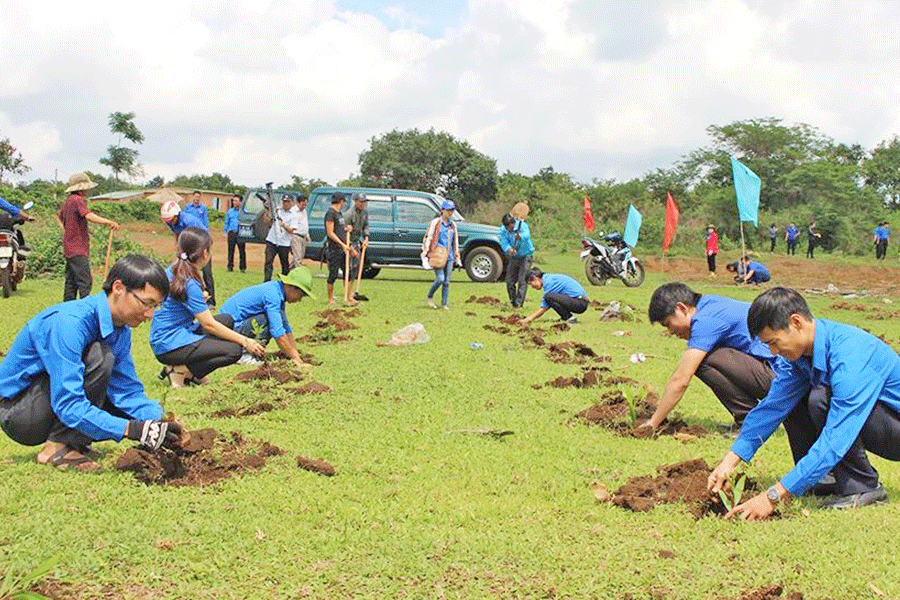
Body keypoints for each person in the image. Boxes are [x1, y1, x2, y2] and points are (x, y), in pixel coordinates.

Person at [708, 287, 900, 519]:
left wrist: (773, 496)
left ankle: (863, 488)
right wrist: (730, 461)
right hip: (882, 425)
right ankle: (822, 479)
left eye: (774, 342)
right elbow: (772, 408)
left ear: (796, 322)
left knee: (822, 398)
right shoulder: (800, 357)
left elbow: (836, 437)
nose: (773, 352)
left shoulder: (850, 355)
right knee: (798, 399)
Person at [0, 255, 184, 471]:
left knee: (120, 393)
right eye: (146, 303)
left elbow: (126, 390)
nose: (150, 314)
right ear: (118, 288)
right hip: (21, 414)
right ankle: (55, 448)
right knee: (100, 356)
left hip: (48, 403)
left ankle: (74, 441)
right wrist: (131, 429)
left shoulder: (120, 329)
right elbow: (67, 402)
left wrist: (159, 421)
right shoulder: (69, 323)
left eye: (156, 307)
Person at [642, 283, 776, 433]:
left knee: (703, 361)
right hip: (775, 374)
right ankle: (749, 420)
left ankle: (749, 421)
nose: (671, 331)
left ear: (681, 308)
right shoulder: (709, 304)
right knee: (707, 356)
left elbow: (681, 379)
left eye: (668, 324)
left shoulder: (705, 321)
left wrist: (652, 423)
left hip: (782, 380)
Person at [149, 227, 265, 388]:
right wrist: (246, 341)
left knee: (226, 320)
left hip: (163, 337)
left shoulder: (174, 269)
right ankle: (180, 370)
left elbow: (176, 300)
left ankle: (192, 373)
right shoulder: (189, 282)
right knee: (234, 350)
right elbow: (208, 324)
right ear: (204, 254)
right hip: (170, 344)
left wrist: (198, 298)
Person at [219, 267, 316, 371]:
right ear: (291, 287)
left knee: (270, 320)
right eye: (300, 295)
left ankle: (250, 352)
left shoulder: (277, 291)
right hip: (229, 329)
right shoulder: (272, 295)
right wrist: (297, 361)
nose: (299, 300)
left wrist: (295, 355)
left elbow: (286, 327)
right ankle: (243, 355)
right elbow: (278, 333)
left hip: (237, 326)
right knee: (266, 320)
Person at [57, 172, 120, 301]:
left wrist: (68, 232)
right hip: (77, 248)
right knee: (85, 281)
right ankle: (85, 307)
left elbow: (60, 217)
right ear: (81, 188)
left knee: (71, 282)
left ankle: (68, 307)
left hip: (69, 247)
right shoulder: (78, 200)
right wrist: (108, 222)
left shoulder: (68, 201)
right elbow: (88, 215)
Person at [158, 193, 215, 306]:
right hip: (187, 247)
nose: (169, 222)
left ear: (177, 214)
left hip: (202, 245)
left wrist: (201, 253)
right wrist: (178, 250)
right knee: (182, 270)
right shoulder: (171, 221)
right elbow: (176, 234)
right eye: (167, 221)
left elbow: (204, 238)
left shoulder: (190, 221)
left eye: (171, 219)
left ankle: (210, 301)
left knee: (206, 273)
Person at [421, 200, 462, 310]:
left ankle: (444, 304)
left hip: (449, 256)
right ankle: (430, 295)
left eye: (452, 210)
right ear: (442, 210)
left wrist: (457, 257)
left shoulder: (452, 225)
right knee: (440, 279)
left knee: (447, 282)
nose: (450, 212)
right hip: (437, 255)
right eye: (448, 210)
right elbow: (428, 237)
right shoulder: (435, 223)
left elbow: (455, 241)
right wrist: (425, 253)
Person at [518, 268, 587, 324]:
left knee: (549, 297)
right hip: (578, 301)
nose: (532, 287)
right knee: (550, 298)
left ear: (535, 278)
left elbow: (544, 307)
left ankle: (569, 318)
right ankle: (566, 317)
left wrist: (528, 319)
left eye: (531, 284)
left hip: (580, 303)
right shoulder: (549, 278)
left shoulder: (549, 282)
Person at [324, 193, 354, 305]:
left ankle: (349, 297)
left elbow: (339, 228)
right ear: (341, 201)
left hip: (343, 248)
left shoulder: (339, 214)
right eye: (344, 201)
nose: (344, 204)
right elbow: (330, 232)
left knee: (348, 273)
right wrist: (341, 244)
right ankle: (330, 299)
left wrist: (347, 228)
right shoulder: (330, 214)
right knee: (333, 274)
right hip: (334, 249)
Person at [501, 212, 535, 308]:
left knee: (522, 280)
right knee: (509, 281)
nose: (509, 229)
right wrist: (509, 249)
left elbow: (527, 235)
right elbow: (504, 242)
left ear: (513, 223)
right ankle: (513, 301)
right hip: (514, 256)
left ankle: (519, 304)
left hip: (526, 256)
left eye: (510, 226)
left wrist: (520, 236)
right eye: (507, 227)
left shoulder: (522, 226)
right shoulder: (503, 229)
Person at [264, 194, 295, 282]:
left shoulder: (293, 215)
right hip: (272, 240)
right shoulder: (276, 210)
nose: (286, 204)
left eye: (288, 202)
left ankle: (285, 282)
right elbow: (267, 221)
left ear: (292, 203)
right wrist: (267, 210)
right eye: (284, 201)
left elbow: (292, 230)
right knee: (268, 262)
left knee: (284, 264)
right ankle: (267, 281)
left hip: (284, 243)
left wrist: (284, 225)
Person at [344, 192, 370, 298]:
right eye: (361, 202)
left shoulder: (365, 213)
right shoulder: (349, 214)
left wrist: (366, 238)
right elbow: (344, 233)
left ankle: (352, 291)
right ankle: (347, 293)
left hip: (357, 241)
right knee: (349, 268)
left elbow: (366, 226)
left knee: (356, 267)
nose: (363, 204)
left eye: (364, 202)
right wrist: (350, 248)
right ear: (355, 201)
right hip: (349, 242)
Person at [223, 195, 246, 272]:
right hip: (231, 233)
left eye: (236, 201)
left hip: (240, 233)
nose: (234, 202)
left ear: (240, 202)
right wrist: (225, 231)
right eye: (233, 201)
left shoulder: (244, 212)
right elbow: (227, 222)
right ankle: (230, 266)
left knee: (242, 251)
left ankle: (242, 267)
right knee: (230, 250)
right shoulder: (230, 211)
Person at [289, 194, 311, 269]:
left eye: (305, 204)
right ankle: (298, 274)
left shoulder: (304, 211)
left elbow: (304, 223)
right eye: (303, 204)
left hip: (303, 237)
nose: (304, 206)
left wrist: (307, 234)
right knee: (297, 257)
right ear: (298, 203)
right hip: (296, 236)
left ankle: (287, 271)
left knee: (300, 256)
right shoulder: (292, 211)